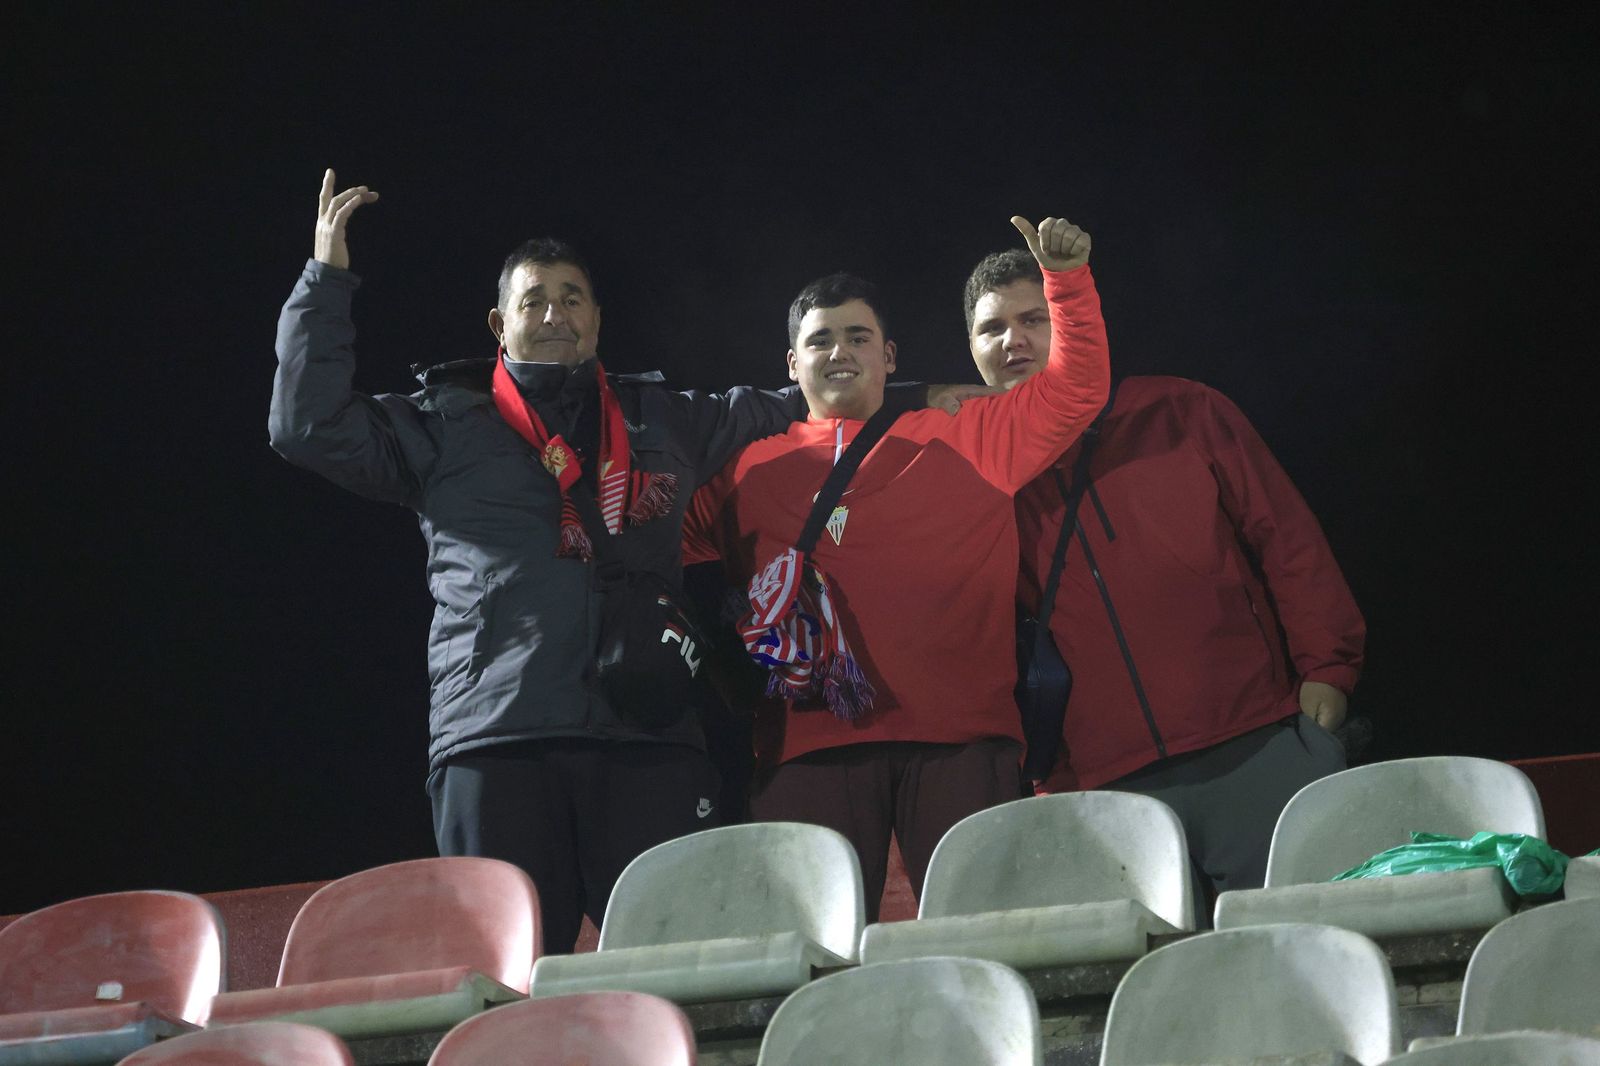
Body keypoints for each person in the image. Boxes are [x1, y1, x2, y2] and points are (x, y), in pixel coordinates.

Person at [269, 171, 957, 953]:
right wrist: (325, 281)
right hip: (499, 739)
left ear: (597, 320)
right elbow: (305, 425)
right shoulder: (444, 425)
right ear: (500, 322)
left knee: (672, 966)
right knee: (512, 980)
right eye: (535, 300)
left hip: (648, 736)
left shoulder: (659, 417)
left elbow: (804, 397)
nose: (555, 313)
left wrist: (947, 395)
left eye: (571, 298)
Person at [684, 214, 1111, 919]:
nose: (839, 352)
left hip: (960, 738)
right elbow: (662, 549)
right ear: (791, 365)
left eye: (857, 337)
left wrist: (1067, 284)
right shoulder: (745, 472)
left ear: (889, 355)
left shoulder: (967, 435)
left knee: (982, 939)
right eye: (818, 340)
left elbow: (1074, 390)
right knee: (809, 954)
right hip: (803, 744)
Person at [963, 247, 1366, 910]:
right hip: (1098, 783)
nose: (1013, 339)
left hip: (1251, 740)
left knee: (1304, 955)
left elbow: (1286, 540)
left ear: (1071, 320)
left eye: (1034, 318)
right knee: (1153, 993)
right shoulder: (977, 472)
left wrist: (1329, 665)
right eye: (991, 328)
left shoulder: (1180, 410)